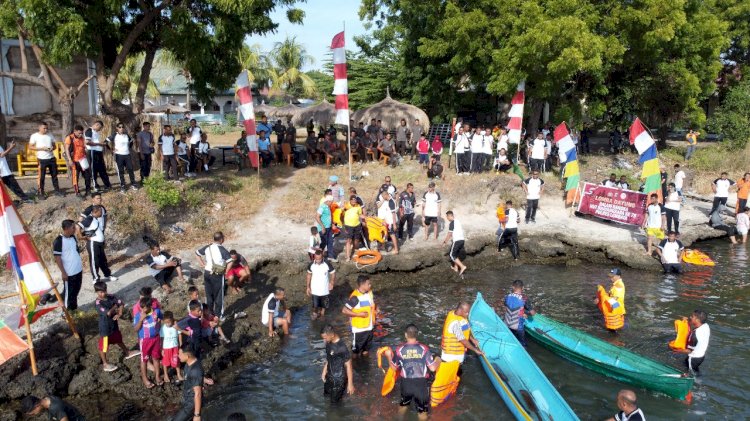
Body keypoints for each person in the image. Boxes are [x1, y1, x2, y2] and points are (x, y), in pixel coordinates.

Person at [383, 324, 439, 418]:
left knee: (403, 405)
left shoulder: (400, 349)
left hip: (406, 383)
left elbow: (394, 368)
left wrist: (389, 356)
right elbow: (433, 368)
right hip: (421, 384)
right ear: (417, 334)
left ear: (405, 335)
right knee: (422, 412)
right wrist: (438, 360)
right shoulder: (424, 349)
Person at [94, 281, 139, 372]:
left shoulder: (111, 296)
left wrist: (120, 312)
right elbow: (108, 312)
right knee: (104, 346)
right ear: (96, 292)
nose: (102, 294)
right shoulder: (98, 303)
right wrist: (115, 306)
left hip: (113, 324)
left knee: (118, 339)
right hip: (105, 328)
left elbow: (121, 303)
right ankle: (105, 363)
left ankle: (127, 352)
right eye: (100, 292)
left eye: (103, 291)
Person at [47, 220, 84, 313]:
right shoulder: (58, 241)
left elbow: (76, 251)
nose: (75, 229)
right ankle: (67, 313)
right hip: (69, 273)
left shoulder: (73, 237)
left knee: (76, 291)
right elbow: (57, 258)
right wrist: (63, 272)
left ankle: (74, 310)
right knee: (69, 294)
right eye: (73, 227)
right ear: (66, 228)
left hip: (78, 270)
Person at [195, 232, 231, 320]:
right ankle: (219, 316)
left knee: (209, 295)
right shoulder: (222, 249)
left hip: (207, 273)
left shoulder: (208, 247)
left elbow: (197, 253)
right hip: (217, 274)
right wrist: (226, 272)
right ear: (222, 239)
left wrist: (202, 264)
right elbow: (230, 261)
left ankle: (209, 313)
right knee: (219, 295)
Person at [79, 205, 116, 282]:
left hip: (99, 243)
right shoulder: (89, 219)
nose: (101, 213)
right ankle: (96, 278)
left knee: (103, 260)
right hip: (93, 243)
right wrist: (82, 237)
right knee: (94, 261)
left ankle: (107, 275)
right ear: (96, 212)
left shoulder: (95, 219)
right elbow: (77, 226)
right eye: (100, 211)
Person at [320, 324, 355, 403]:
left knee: (334, 405)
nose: (324, 340)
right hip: (329, 376)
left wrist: (350, 384)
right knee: (326, 397)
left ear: (332, 335)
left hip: (339, 380)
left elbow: (349, 366)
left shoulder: (342, 347)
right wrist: (324, 371)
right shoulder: (328, 343)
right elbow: (329, 358)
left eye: (325, 338)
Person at [342, 275, 375, 356]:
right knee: (356, 353)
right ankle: (355, 367)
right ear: (362, 285)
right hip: (359, 330)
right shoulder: (355, 297)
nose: (370, 285)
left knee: (366, 350)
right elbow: (344, 310)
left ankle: (366, 367)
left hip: (369, 328)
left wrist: (376, 310)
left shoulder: (369, 293)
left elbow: (371, 305)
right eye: (368, 284)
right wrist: (358, 314)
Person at [133, 297, 163, 387]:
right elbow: (136, 329)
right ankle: (145, 379)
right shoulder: (138, 316)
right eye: (141, 307)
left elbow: (161, 319)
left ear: (150, 306)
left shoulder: (156, 312)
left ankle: (157, 376)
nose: (143, 309)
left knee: (156, 358)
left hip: (156, 339)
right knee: (144, 360)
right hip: (145, 340)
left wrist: (158, 323)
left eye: (145, 307)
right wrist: (141, 320)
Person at [29, 122, 63, 198]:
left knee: (54, 176)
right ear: (39, 128)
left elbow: (54, 146)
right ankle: (41, 192)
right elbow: (30, 147)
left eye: (47, 128)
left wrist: (52, 148)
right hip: (41, 159)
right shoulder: (34, 136)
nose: (46, 130)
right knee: (42, 177)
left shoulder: (50, 135)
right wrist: (41, 148)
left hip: (51, 158)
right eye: (44, 128)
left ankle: (57, 191)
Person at [171, 345, 203, 421]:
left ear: (187, 355)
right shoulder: (188, 363)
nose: (178, 356)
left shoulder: (195, 370)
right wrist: (204, 379)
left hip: (191, 403)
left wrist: (197, 415)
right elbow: (195, 377)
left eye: (180, 354)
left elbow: (198, 393)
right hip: (187, 398)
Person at [675, 309, 710, 375]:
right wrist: (686, 322)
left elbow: (689, 351)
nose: (690, 317)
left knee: (691, 374)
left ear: (697, 320)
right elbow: (695, 326)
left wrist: (676, 350)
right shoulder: (705, 326)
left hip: (693, 358)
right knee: (693, 368)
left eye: (692, 316)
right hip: (701, 356)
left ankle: (696, 383)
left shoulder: (694, 334)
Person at [502, 280, 535, 346]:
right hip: (517, 327)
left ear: (513, 287)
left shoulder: (507, 297)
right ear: (522, 288)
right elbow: (532, 313)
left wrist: (522, 311)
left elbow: (507, 307)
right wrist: (525, 313)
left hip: (507, 325)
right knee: (523, 344)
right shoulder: (524, 298)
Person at [107, 123, 138, 193]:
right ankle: (123, 186)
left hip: (127, 155)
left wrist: (128, 148)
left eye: (122, 127)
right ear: (117, 128)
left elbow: (131, 142)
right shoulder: (114, 135)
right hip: (119, 155)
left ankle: (133, 183)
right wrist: (111, 149)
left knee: (130, 169)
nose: (121, 128)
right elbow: (105, 142)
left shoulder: (126, 135)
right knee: (121, 171)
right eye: (120, 127)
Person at [63, 125, 92, 197]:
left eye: (82, 133)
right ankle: (77, 192)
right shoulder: (69, 138)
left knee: (87, 175)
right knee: (75, 177)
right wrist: (69, 159)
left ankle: (88, 190)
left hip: (83, 160)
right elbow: (66, 149)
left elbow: (84, 146)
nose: (80, 134)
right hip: (74, 161)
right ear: (75, 131)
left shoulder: (82, 138)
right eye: (79, 133)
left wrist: (86, 149)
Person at [306, 250, 336, 320]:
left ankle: (322, 314)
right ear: (314, 257)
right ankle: (315, 313)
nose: (318, 261)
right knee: (315, 304)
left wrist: (331, 283)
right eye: (316, 259)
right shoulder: (311, 265)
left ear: (322, 257)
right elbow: (308, 275)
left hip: (324, 289)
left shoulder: (327, 263)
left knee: (324, 305)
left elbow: (333, 273)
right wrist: (308, 287)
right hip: (315, 289)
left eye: (319, 259)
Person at [85, 120, 111, 191]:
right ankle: (95, 186)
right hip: (92, 152)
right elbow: (87, 142)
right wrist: (99, 144)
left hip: (99, 152)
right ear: (97, 125)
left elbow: (97, 141)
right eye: (100, 128)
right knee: (93, 170)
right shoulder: (89, 130)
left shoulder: (97, 132)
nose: (100, 129)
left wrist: (103, 145)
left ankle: (107, 185)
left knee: (102, 169)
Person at [161, 311, 184, 384]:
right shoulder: (163, 328)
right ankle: (166, 374)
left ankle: (178, 374)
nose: (167, 324)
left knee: (176, 361)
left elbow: (180, 335)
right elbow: (161, 338)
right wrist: (161, 349)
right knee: (165, 362)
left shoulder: (176, 326)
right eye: (166, 322)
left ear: (172, 320)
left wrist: (181, 344)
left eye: (169, 322)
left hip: (175, 347)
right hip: (166, 348)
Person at [21, 395, 85, 421]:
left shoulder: (56, 407)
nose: (34, 415)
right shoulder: (47, 399)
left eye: (33, 413)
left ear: (37, 406)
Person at [443, 211, 467, 277]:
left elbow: (450, 234)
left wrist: (445, 242)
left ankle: (462, 266)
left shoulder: (452, 223)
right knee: (456, 254)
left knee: (452, 255)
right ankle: (456, 268)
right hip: (462, 240)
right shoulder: (457, 221)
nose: (447, 218)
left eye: (447, 217)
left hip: (457, 241)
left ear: (450, 216)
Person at [343, 195, 365, 262]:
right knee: (349, 240)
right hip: (348, 226)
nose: (354, 201)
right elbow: (341, 214)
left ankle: (354, 250)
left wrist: (364, 219)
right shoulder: (346, 206)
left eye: (355, 200)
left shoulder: (358, 206)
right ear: (350, 200)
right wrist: (342, 224)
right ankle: (348, 256)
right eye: (352, 200)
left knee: (356, 241)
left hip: (357, 225)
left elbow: (360, 214)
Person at [315, 192, 336, 261]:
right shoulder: (322, 207)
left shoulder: (328, 207)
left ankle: (331, 256)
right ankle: (318, 255)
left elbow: (329, 216)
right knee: (324, 242)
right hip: (323, 228)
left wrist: (332, 224)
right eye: (331, 202)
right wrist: (322, 227)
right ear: (327, 201)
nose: (332, 203)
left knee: (330, 241)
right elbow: (317, 217)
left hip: (329, 227)